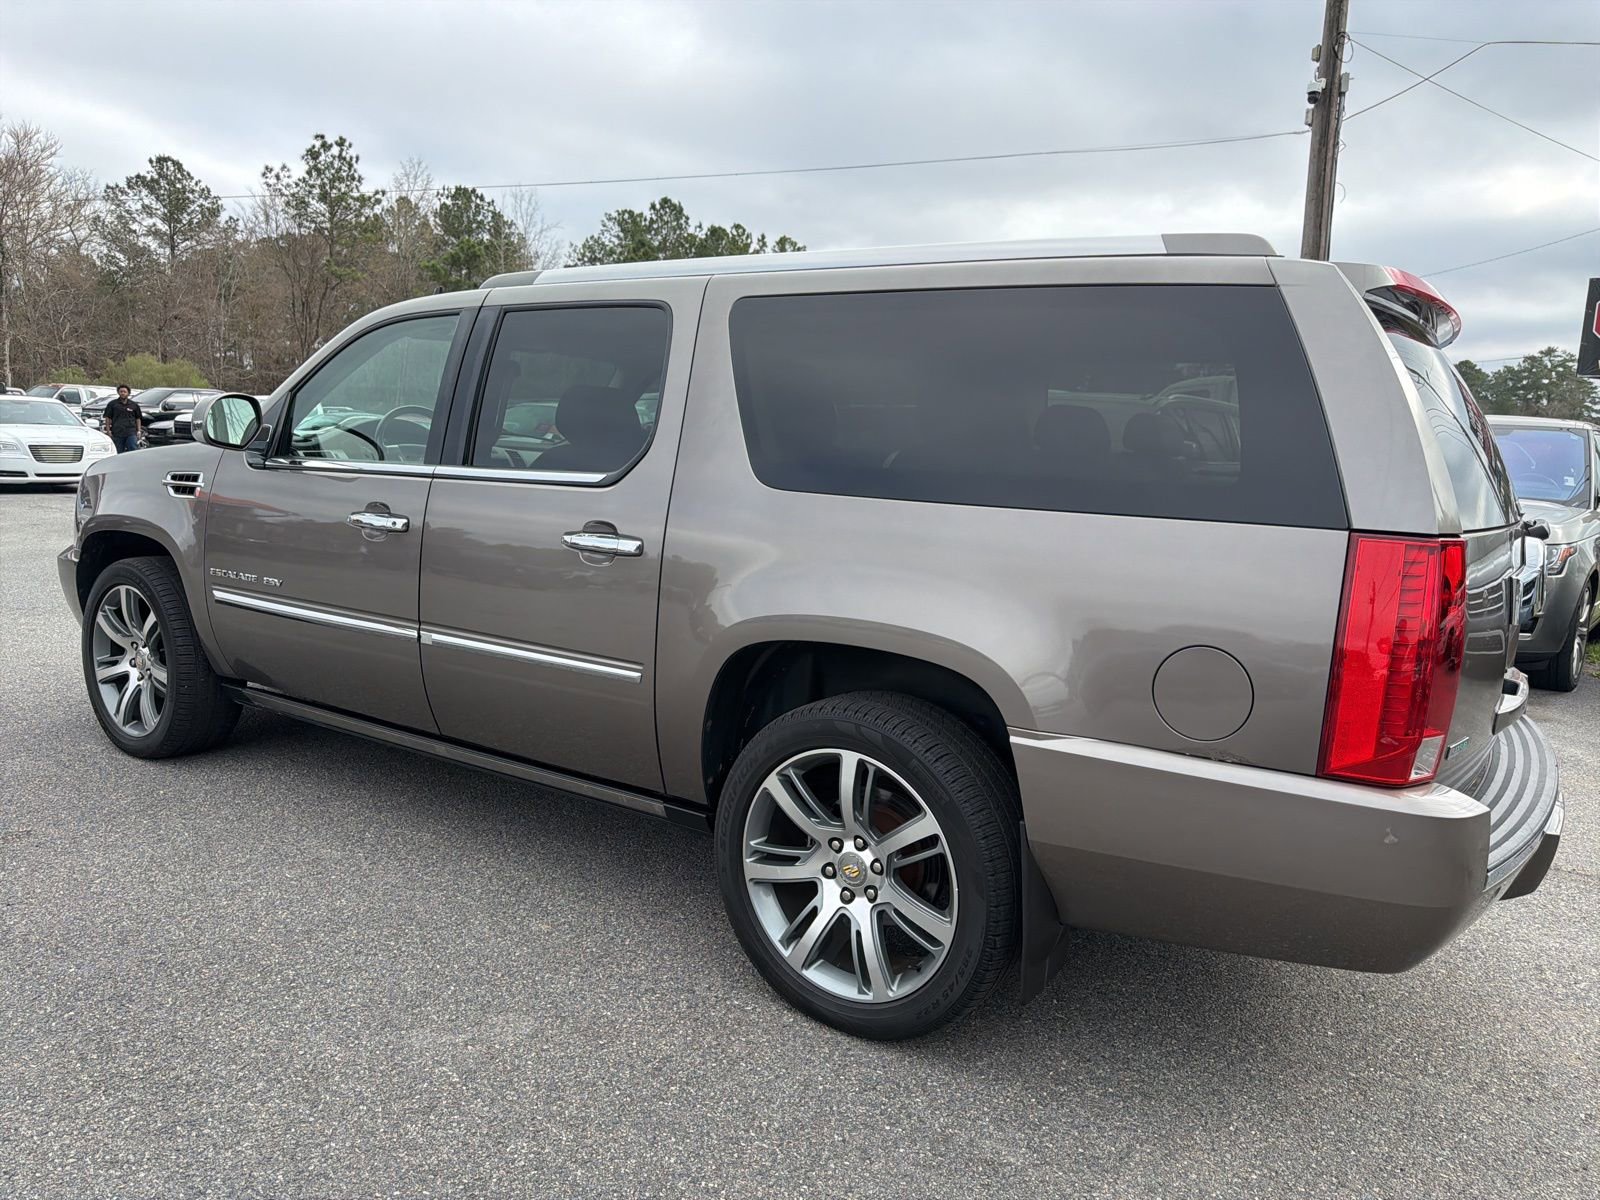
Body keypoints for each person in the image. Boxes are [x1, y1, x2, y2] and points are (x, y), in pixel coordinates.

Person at [103, 385, 142, 453]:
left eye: (124, 392)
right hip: (117, 432)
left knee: (133, 449)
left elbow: (138, 418)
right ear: (118, 392)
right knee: (119, 451)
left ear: (128, 393)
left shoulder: (134, 405)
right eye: (121, 391)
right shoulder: (112, 404)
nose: (123, 393)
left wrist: (139, 430)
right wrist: (108, 431)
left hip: (131, 432)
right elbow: (107, 418)